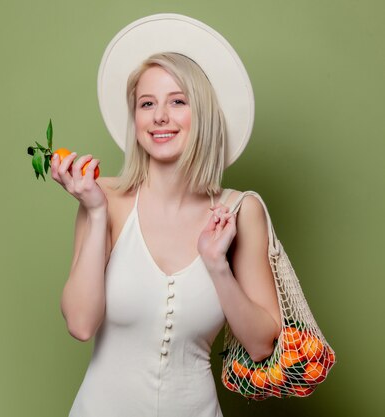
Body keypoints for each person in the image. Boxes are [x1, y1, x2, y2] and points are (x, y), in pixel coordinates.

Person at [51, 14, 282, 417]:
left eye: (178, 101)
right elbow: (81, 324)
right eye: (147, 104)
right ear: (135, 118)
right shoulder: (103, 196)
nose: (160, 116)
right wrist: (97, 213)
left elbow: (262, 344)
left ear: (204, 113)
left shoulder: (241, 210)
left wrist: (218, 266)